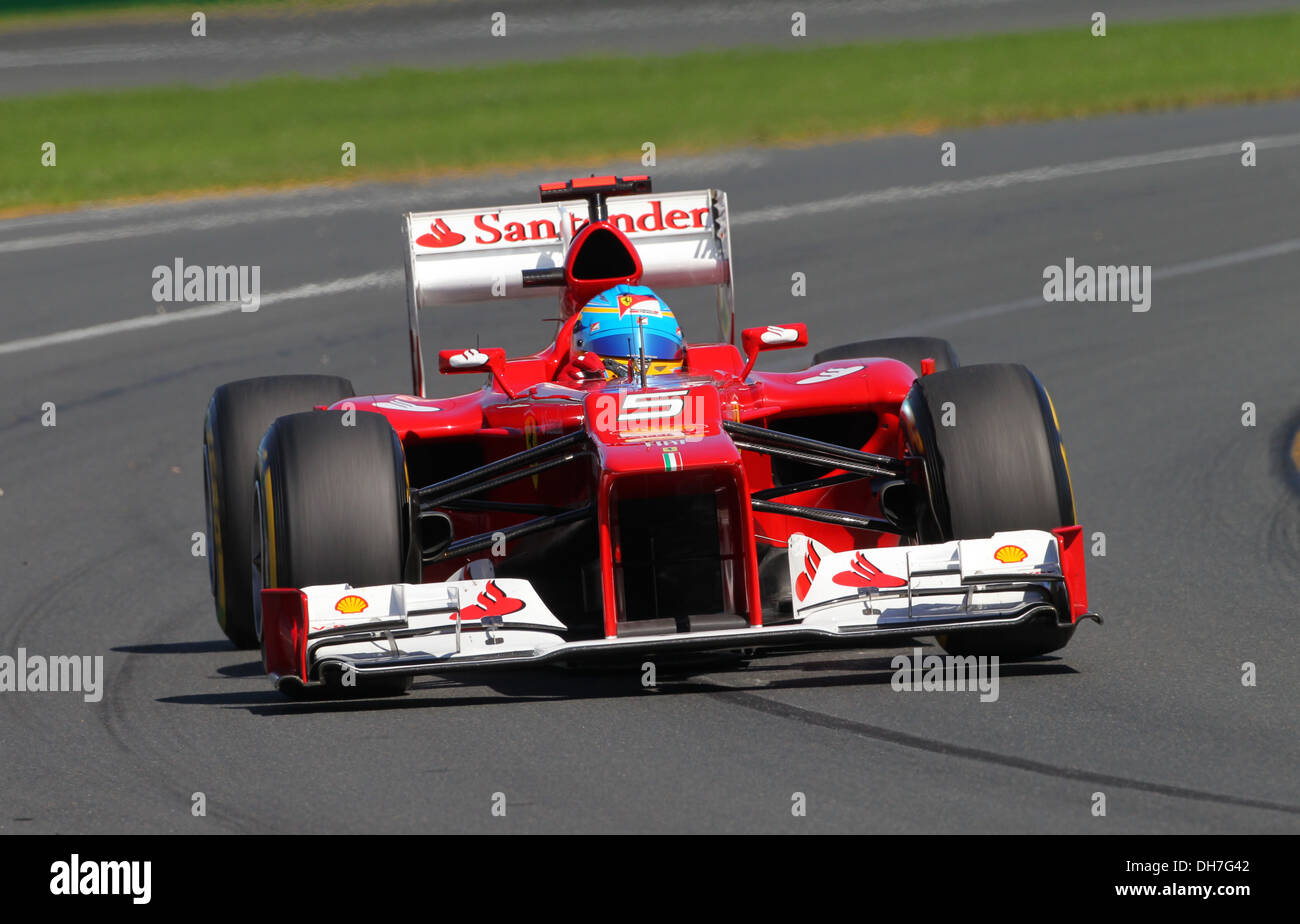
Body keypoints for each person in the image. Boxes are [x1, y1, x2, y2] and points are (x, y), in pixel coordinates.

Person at [568, 284, 685, 381]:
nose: (639, 366)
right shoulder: (571, 383)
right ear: (580, 345)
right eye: (614, 346)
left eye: (660, 346)